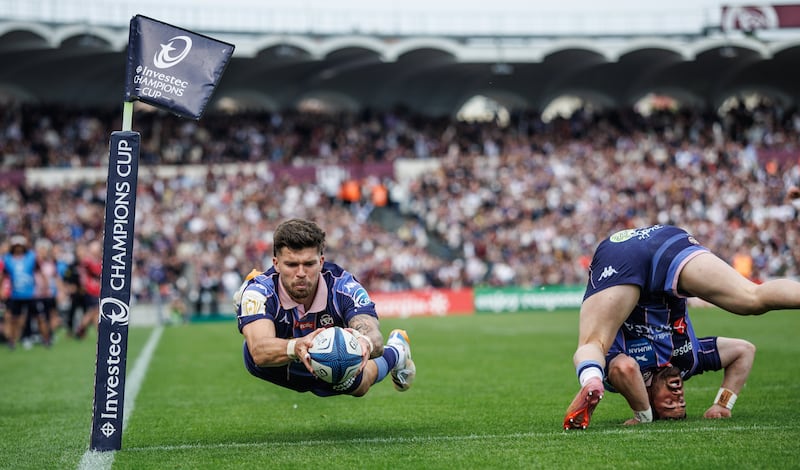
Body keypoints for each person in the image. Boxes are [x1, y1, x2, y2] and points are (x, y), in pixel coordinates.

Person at [564, 224, 800, 430]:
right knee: (751, 297)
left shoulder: (622, 375)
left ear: (647, 395)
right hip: (667, 242)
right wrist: (723, 404)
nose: (678, 395)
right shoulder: (688, 362)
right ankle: (590, 378)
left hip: (621, 253)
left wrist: (642, 415)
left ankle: (590, 378)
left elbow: (625, 369)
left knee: (593, 343)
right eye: (681, 402)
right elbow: (744, 350)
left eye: (669, 403)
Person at [233, 218, 416, 397]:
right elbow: (259, 351)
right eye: (291, 265)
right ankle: (394, 353)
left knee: (359, 385)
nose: (301, 273)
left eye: (309, 264)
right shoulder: (259, 291)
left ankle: (397, 350)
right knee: (257, 355)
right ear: (276, 264)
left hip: (329, 358)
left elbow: (374, 337)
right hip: (275, 365)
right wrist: (296, 346)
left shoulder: (344, 287)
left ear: (321, 262)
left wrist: (364, 344)